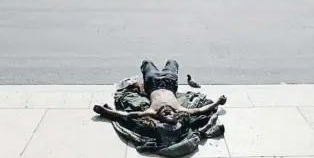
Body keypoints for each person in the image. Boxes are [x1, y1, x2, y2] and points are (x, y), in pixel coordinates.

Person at [93, 60, 227, 125]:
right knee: (172, 62)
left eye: (165, 116)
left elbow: (126, 115)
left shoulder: (151, 112)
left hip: (152, 84)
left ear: (160, 118)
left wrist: (105, 112)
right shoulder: (180, 109)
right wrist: (218, 102)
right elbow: (201, 110)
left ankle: (147, 65)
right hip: (169, 84)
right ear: (176, 115)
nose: (168, 113)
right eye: (171, 115)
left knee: (147, 63)